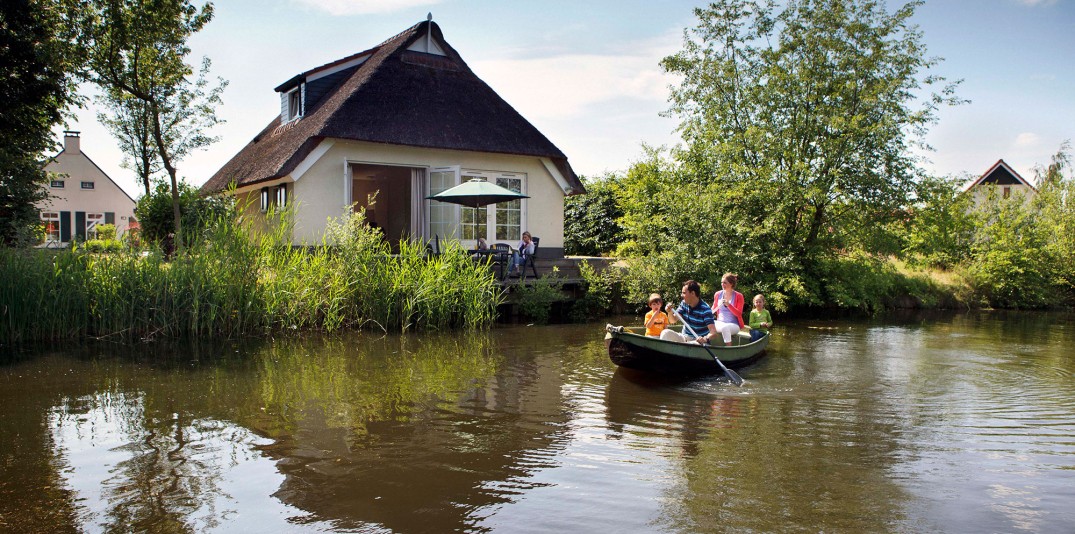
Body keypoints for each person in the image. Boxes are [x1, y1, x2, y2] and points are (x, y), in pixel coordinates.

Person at [661, 280, 719, 344]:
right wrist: (669, 312)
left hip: (698, 342)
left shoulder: (705, 309)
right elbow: (673, 320)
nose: (681, 295)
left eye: (684, 293)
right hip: (684, 338)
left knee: (691, 344)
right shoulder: (684, 304)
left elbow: (713, 333)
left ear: (693, 293)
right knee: (665, 333)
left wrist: (705, 339)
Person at [712, 273, 745, 346]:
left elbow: (739, 313)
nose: (722, 284)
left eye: (725, 283)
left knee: (725, 328)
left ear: (731, 284)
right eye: (721, 282)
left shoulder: (739, 296)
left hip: (734, 325)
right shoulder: (717, 294)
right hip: (720, 323)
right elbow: (713, 309)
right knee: (707, 322)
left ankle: (729, 348)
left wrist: (729, 305)